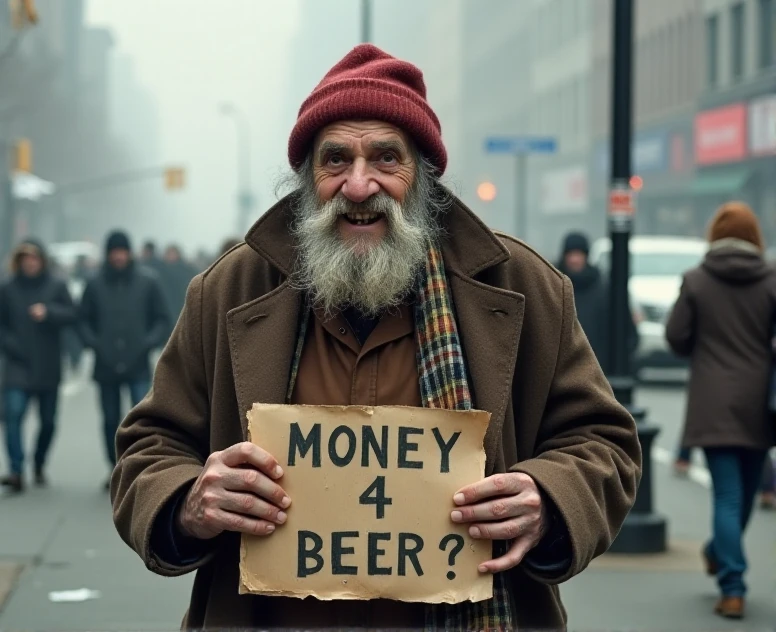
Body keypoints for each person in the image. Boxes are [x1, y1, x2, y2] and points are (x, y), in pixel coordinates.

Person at [111, 44, 641, 630]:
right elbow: (147, 449)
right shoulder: (228, 290)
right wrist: (188, 501)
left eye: (386, 158)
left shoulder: (525, 287)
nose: (358, 186)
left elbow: (604, 444)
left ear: (423, 176)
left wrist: (549, 499)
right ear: (308, 177)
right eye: (335, 160)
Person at [666, 202, 776, 620]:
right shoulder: (771, 280)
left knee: (729, 496)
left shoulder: (696, 281)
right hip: (759, 403)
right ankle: (731, 575)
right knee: (744, 495)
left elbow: (676, 336)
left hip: (712, 401)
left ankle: (727, 574)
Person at [79, 231, 169, 489]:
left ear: (129, 253)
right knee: (109, 419)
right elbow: (83, 319)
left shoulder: (148, 282)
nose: (118, 256)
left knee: (141, 420)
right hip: (105, 364)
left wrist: (147, 343)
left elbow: (162, 319)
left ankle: (138, 468)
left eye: (122, 251)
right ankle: (115, 467)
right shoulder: (95, 284)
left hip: (137, 363)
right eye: (114, 252)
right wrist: (95, 343)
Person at [0, 240, 76, 492]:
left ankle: (39, 462)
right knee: (12, 415)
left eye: (34, 258)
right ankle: (16, 470)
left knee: (48, 421)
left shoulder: (56, 285)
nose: (29, 263)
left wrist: (49, 312)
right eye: (25, 258)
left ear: (41, 260)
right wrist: (12, 346)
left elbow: (73, 314)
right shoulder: (8, 288)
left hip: (48, 363)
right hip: (18, 364)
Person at [557, 231, 638, 374]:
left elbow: (624, 330)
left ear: (586, 256)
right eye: (571, 254)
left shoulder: (603, 288)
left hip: (597, 369)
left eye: (579, 254)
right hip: (560, 369)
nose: (575, 259)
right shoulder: (553, 285)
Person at [160, 244, 197, 321]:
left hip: (182, 302)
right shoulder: (162, 271)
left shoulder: (186, 270)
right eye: (169, 254)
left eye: (172, 254)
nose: (171, 256)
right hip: (168, 303)